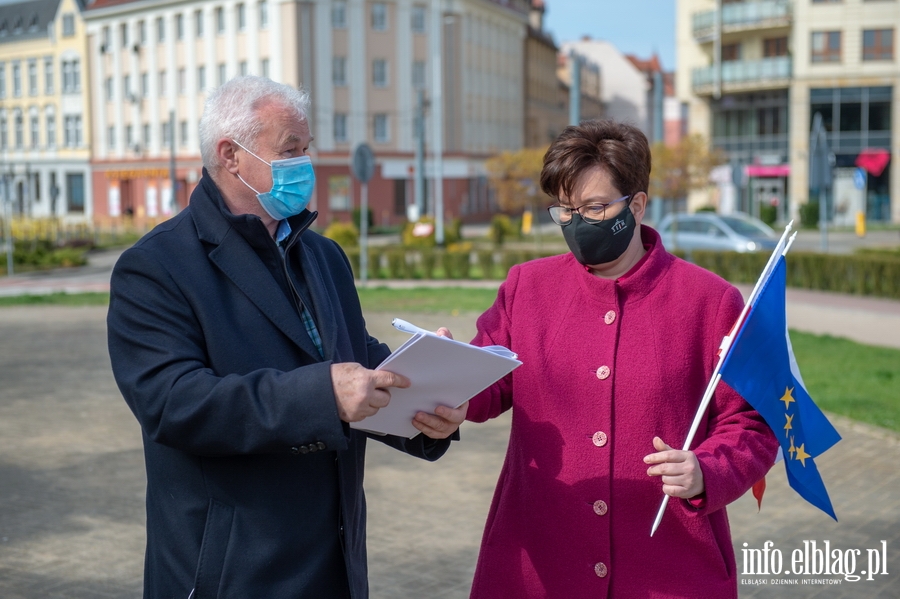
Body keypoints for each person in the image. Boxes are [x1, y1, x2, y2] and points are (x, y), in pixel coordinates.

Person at [106, 76, 466, 598]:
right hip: (232, 573)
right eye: (289, 149)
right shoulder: (155, 267)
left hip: (332, 566)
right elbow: (173, 403)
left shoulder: (323, 256)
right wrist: (323, 395)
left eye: (306, 149)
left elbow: (357, 363)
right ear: (231, 155)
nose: (304, 164)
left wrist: (430, 402)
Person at [460, 120, 779, 598]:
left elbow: (753, 424)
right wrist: (446, 375)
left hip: (670, 572)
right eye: (564, 210)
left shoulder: (711, 301)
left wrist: (706, 471)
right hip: (539, 570)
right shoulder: (527, 287)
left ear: (637, 204)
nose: (577, 223)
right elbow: (487, 376)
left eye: (593, 207)